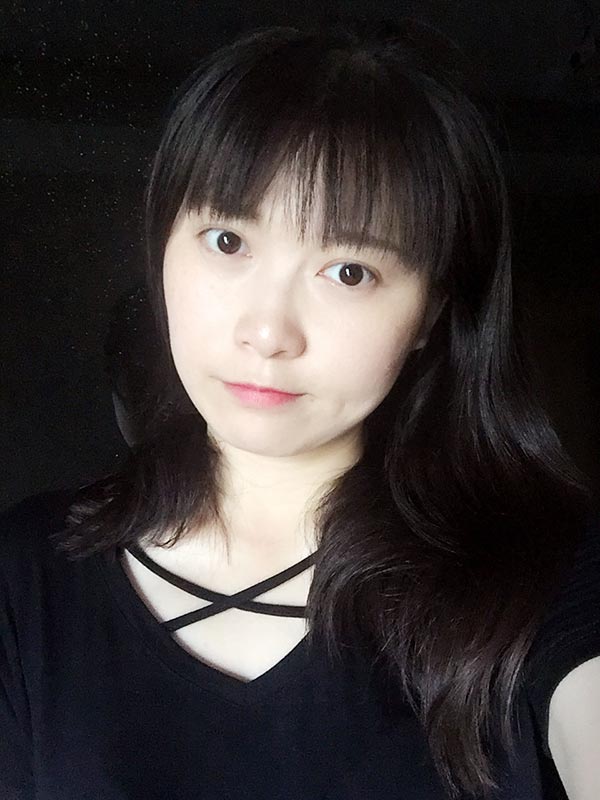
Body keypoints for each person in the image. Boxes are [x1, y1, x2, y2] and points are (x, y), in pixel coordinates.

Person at [1, 17, 598, 800]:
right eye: (227, 242)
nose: (267, 332)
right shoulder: (29, 576)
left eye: (349, 271)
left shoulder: (538, 571)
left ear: (428, 313)